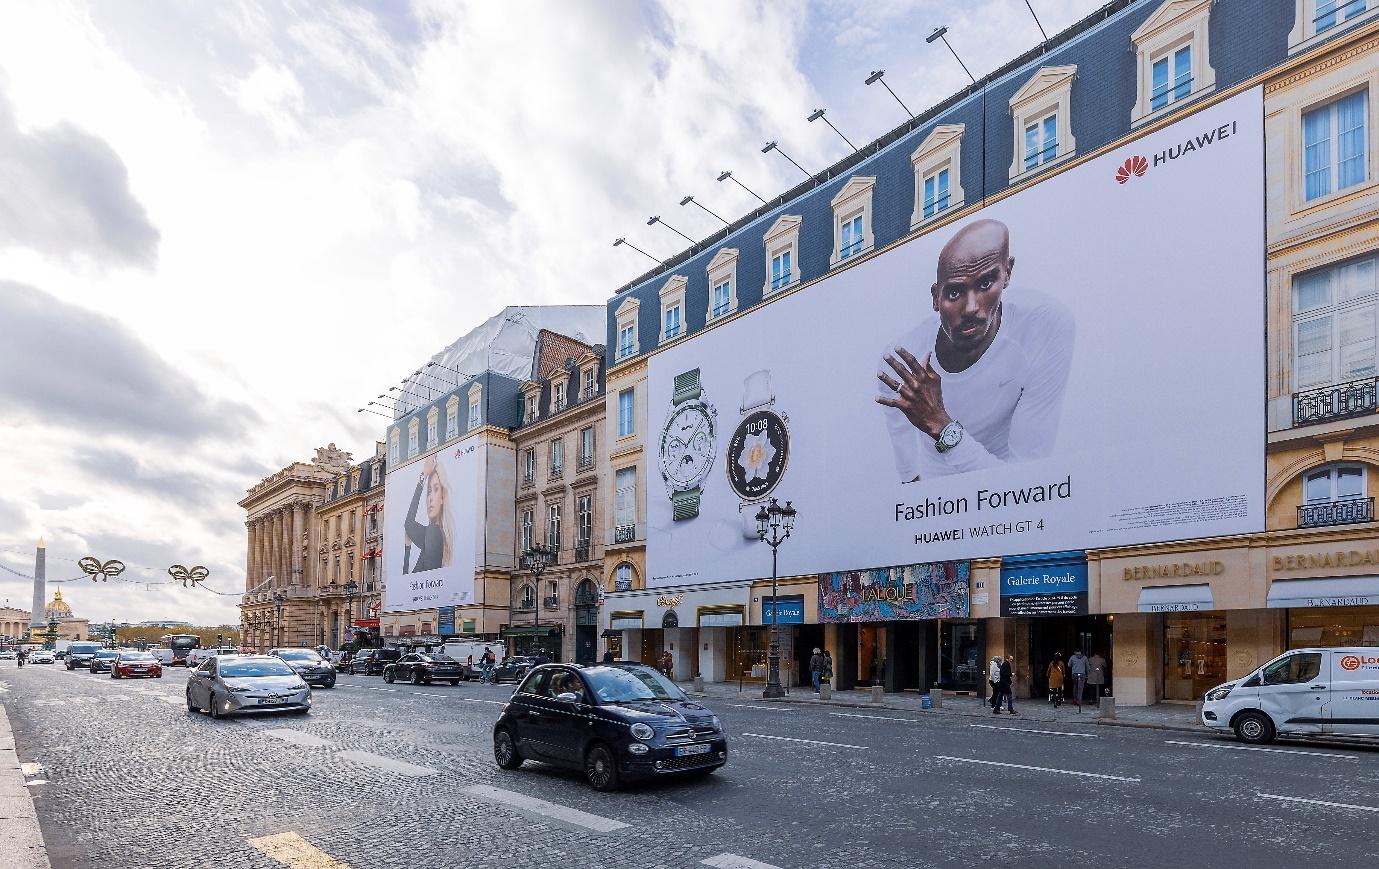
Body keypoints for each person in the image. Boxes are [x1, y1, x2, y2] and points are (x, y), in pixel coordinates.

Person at [876, 218, 1076, 483]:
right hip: (937, 505)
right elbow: (910, 480)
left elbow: (1026, 479)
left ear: (1007, 273)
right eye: (955, 292)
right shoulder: (902, 362)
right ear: (936, 297)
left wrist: (940, 424)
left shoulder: (1042, 327)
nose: (971, 308)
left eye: (985, 284)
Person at [403, 454, 453, 573]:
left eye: (436, 489)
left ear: (442, 498)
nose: (430, 498)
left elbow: (408, 523)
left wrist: (423, 475)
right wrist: (407, 548)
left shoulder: (434, 533)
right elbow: (407, 581)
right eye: (429, 491)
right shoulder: (432, 533)